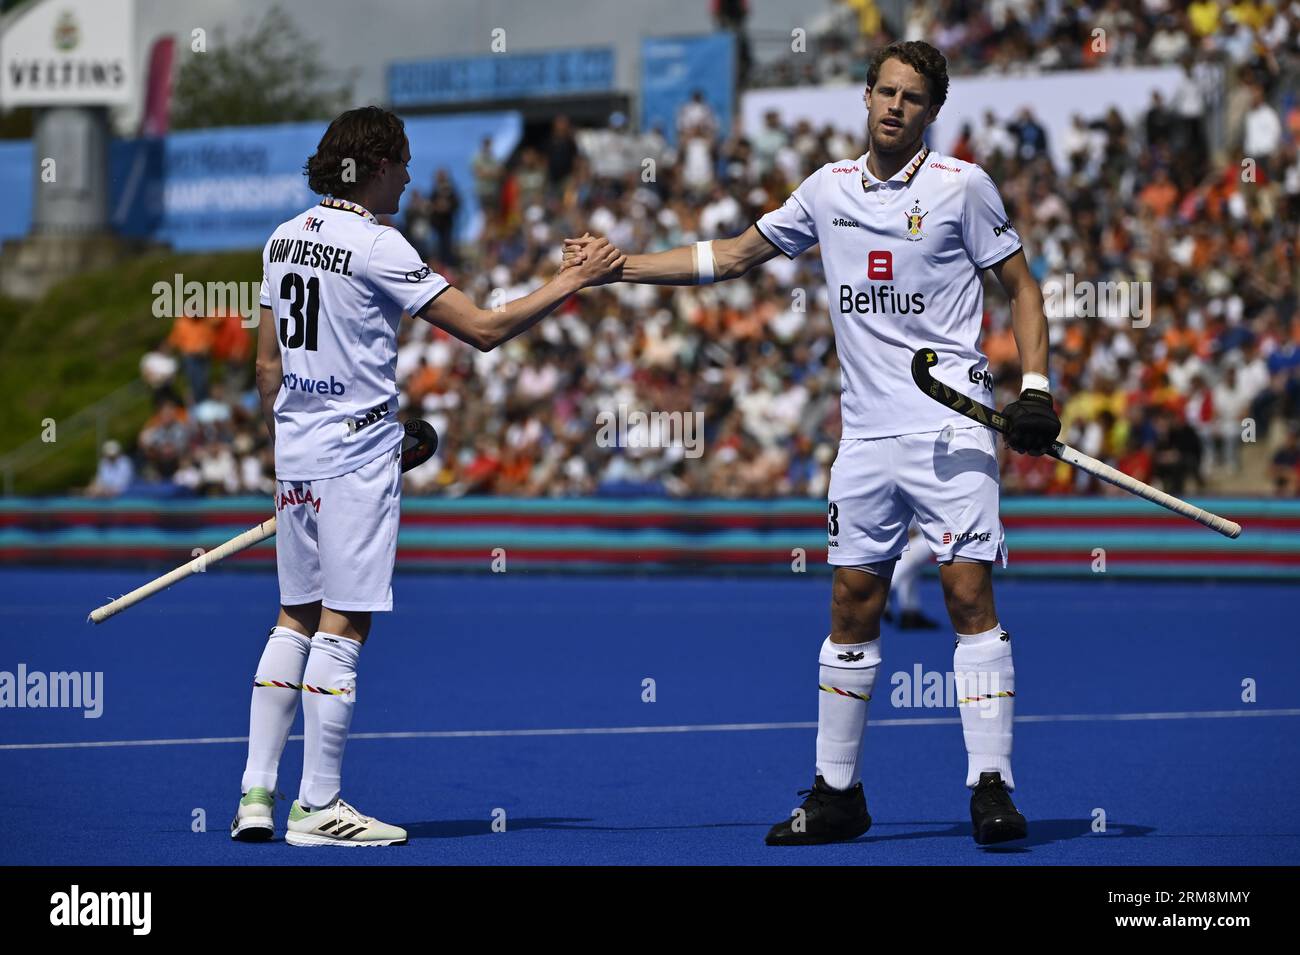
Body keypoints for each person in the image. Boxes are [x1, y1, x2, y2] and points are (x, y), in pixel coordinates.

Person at [565, 41, 1058, 847]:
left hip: (951, 427)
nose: (895, 107)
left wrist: (1035, 388)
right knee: (849, 604)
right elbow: (729, 256)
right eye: (885, 92)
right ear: (865, 98)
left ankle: (991, 786)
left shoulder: (963, 187)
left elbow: (1023, 286)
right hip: (864, 437)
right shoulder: (825, 190)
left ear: (932, 111)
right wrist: (620, 269)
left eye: (912, 98)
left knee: (969, 596)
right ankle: (837, 795)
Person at [232, 105, 623, 847]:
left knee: (294, 617)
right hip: (353, 459)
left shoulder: (282, 239)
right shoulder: (378, 245)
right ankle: (317, 806)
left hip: (298, 453)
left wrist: (297, 447)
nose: (410, 177)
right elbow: (482, 329)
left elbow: (265, 368)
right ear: (376, 164)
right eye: (402, 162)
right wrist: (571, 280)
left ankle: (256, 792)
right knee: (343, 627)